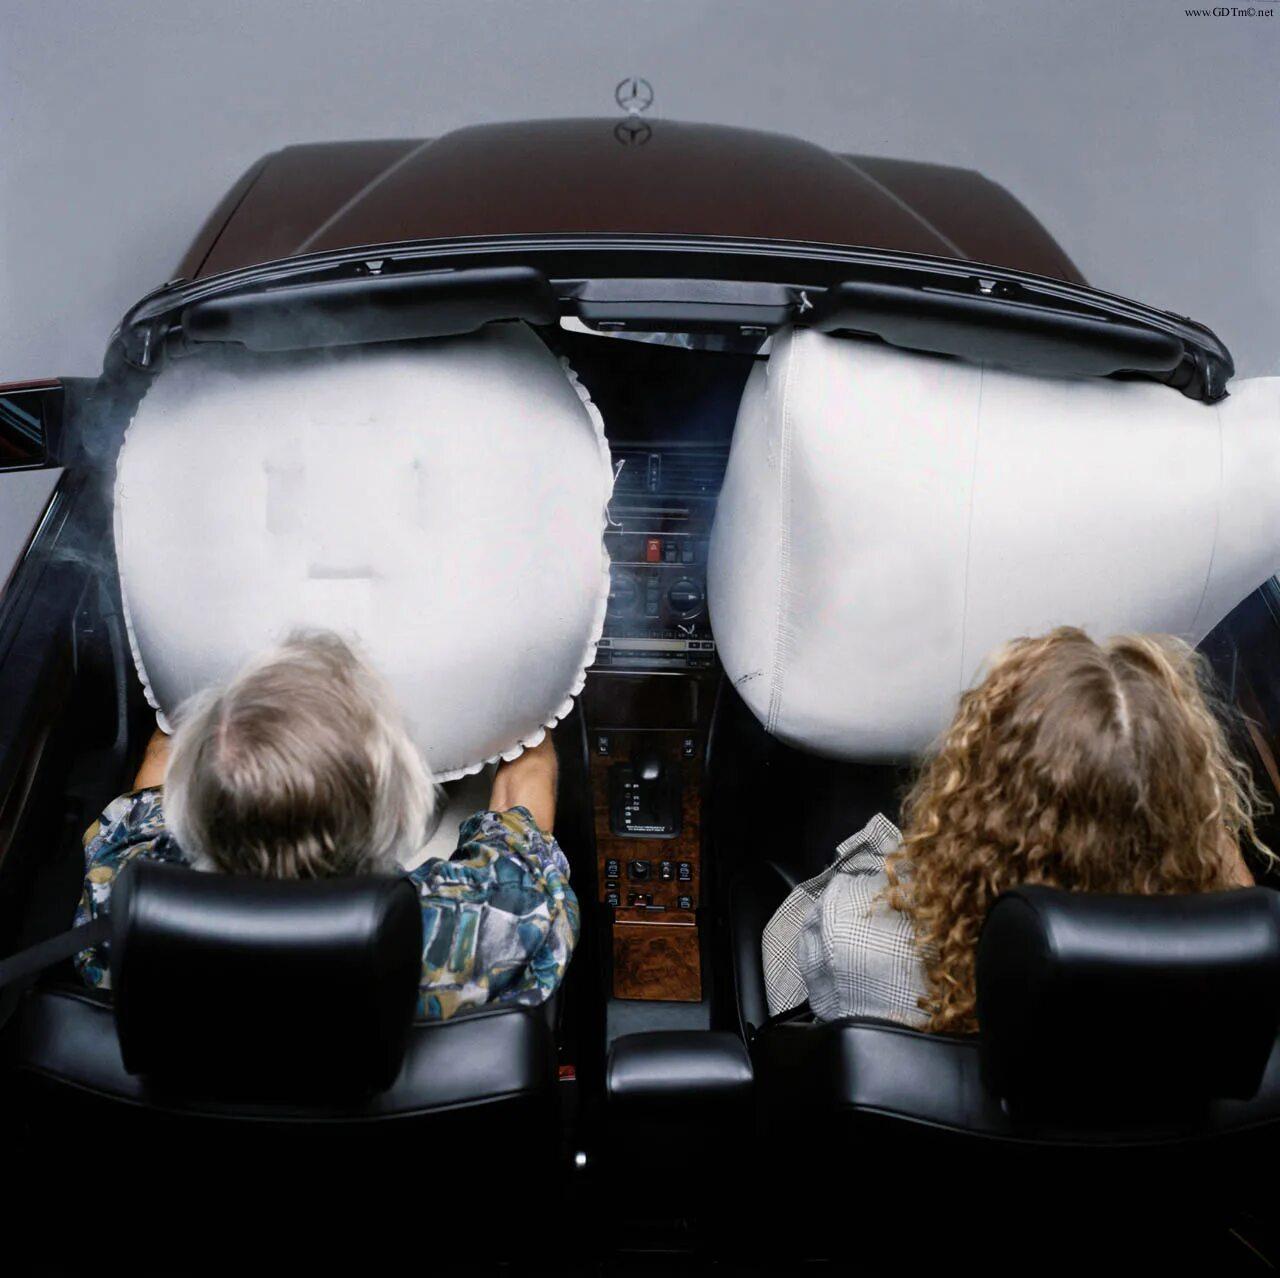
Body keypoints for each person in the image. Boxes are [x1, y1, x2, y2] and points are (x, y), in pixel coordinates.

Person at [763, 627, 1268, 1035]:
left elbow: (787, 978)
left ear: (982, 792)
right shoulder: (1235, 976)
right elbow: (1241, 900)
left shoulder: (849, 935)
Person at [74, 629, 578, 1020]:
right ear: (398, 815)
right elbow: (524, 788)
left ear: (191, 809)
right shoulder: (490, 925)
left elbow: (162, 759)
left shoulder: (119, 903)